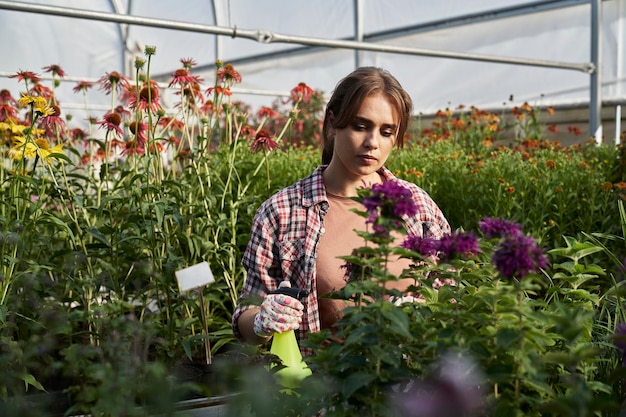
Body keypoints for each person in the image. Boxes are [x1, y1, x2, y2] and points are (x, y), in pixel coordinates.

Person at [232, 66, 450, 353]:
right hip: (321, 388)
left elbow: (451, 292)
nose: (373, 143)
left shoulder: (417, 207)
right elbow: (247, 312)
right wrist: (263, 321)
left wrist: (429, 307)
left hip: (409, 385)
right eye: (360, 126)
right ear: (333, 123)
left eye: (387, 132)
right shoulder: (283, 212)